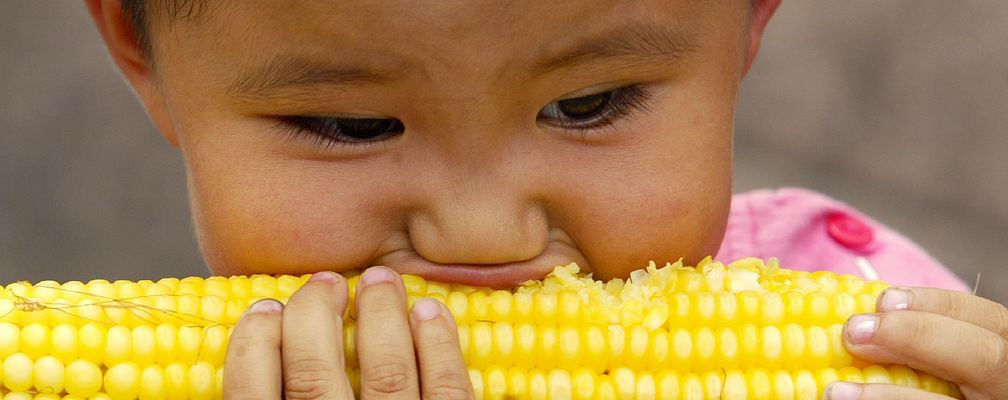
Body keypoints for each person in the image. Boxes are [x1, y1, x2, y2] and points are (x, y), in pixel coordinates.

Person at [83, 1, 1007, 398]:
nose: (484, 236)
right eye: (353, 124)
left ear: (745, 23)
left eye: (586, 105)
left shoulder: (876, 329)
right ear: (141, 51)